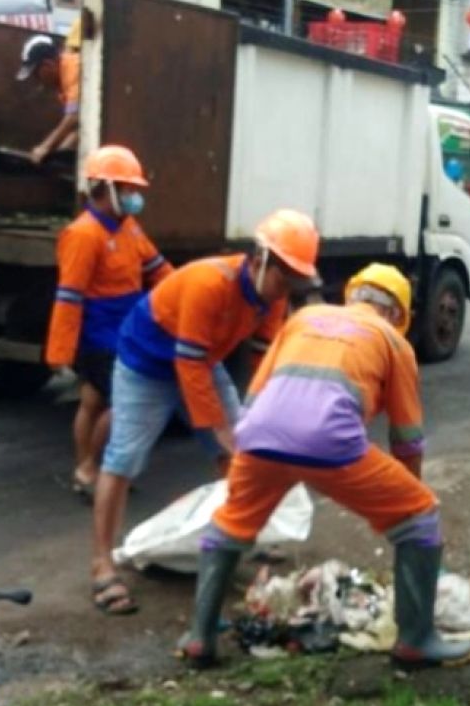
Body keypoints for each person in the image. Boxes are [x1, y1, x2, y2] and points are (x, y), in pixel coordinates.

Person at [177, 264, 470, 670]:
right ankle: (416, 640)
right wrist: (407, 506)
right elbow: (406, 438)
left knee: (230, 525)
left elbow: (255, 394)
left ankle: (200, 638)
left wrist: (245, 461)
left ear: (354, 296)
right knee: (420, 517)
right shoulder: (392, 340)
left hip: (260, 436)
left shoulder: (301, 319)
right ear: (396, 314)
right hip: (332, 444)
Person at [90, 209, 320, 615]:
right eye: (283, 277)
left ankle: (245, 537)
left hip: (200, 357)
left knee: (242, 453)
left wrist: (258, 419)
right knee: (124, 458)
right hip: (147, 361)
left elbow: (264, 360)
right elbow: (188, 365)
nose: (286, 289)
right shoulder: (209, 283)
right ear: (259, 259)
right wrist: (218, 429)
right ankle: (103, 564)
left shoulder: (274, 297)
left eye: (294, 281)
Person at [44, 145, 171, 498]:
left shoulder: (128, 228)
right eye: (129, 189)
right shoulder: (83, 235)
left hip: (126, 326)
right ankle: (93, 469)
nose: (134, 197)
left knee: (93, 401)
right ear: (107, 189)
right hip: (99, 332)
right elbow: (69, 296)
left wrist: (183, 298)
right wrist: (60, 351)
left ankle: (87, 470)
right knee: (124, 403)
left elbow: (157, 269)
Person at [17, 35, 81, 165]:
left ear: (48, 65)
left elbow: (74, 116)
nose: (37, 80)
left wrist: (45, 146)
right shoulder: (62, 82)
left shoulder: (73, 69)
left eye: (36, 73)